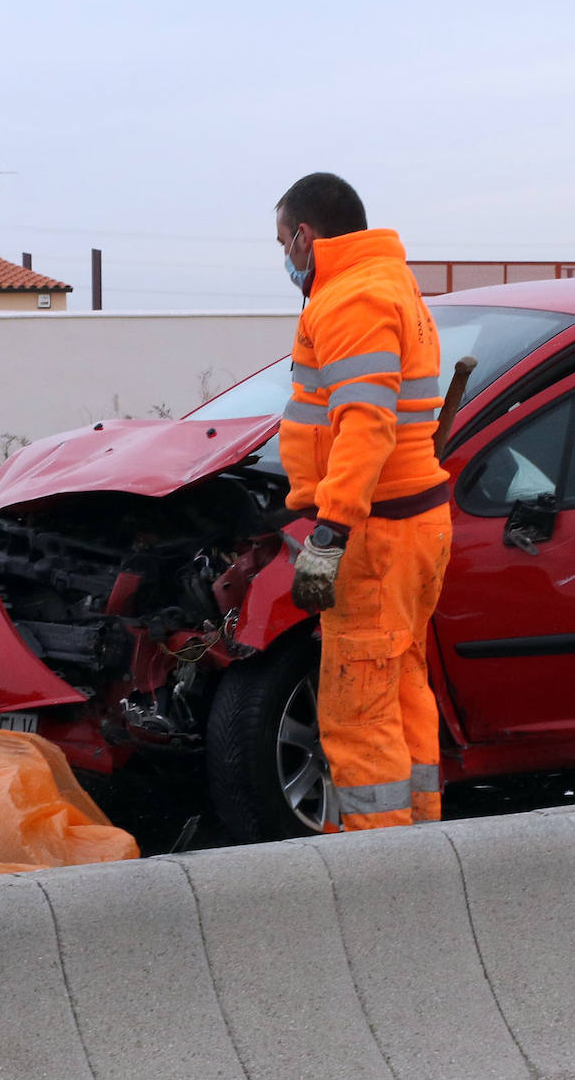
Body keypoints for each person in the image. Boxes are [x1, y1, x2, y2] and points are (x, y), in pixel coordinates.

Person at [275, 173, 453, 832]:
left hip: (376, 532)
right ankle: (421, 841)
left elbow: (365, 424)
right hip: (411, 522)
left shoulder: (351, 297)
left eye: (283, 243)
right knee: (401, 688)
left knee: (359, 712)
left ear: (305, 235)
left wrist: (330, 531)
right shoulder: (391, 283)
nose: (285, 258)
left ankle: (378, 864)